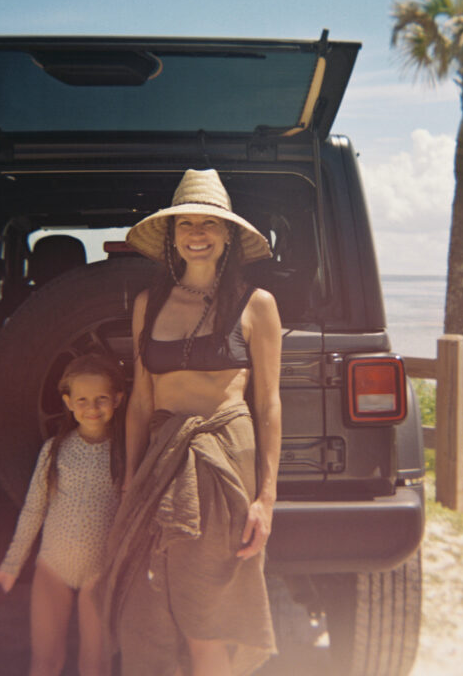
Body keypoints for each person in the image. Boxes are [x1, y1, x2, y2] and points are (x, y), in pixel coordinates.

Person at [99, 168, 281, 676]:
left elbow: (269, 405)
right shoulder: (148, 304)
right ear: (173, 237)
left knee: (207, 619)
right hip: (161, 463)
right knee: (154, 603)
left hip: (223, 461)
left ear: (227, 235)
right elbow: (140, 399)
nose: (196, 235)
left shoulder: (256, 305)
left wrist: (266, 497)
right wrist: (132, 477)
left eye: (208, 224)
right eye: (185, 225)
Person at [0, 353, 127, 676]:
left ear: (118, 399)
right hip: (53, 568)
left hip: (100, 572)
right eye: (82, 399)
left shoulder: (126, 451)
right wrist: (9, 569)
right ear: (67, 402)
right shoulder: (54, 450)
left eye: (101, 398)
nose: (92, 408)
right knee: (45, 662)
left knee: (96, 665)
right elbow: (34, 511)